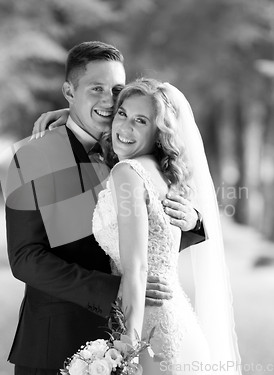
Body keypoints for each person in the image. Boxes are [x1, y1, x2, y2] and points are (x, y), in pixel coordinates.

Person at [5, 41, 208, 375]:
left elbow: (151, 237)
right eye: (95, 88)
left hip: (138, 339)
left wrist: (193, 220)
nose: (109, 101)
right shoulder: (30, 158)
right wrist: (117, 289)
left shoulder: (128, 150)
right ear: (69, 91)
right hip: (56, 341)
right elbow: (26, 258)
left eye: (116, 89)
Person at [92, 78, 241, 374]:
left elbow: (137, 269)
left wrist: (127, 349)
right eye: (122, 114)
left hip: (150, 336)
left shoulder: (127, 172)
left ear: (159, 133)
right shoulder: (164, 174)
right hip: (177, 324)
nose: (124, 127)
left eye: (141, 121)